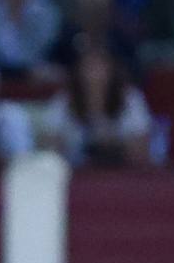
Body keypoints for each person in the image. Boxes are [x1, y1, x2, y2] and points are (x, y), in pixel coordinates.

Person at [41, 36, 155, 166]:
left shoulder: (131, 99)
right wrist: (68, 144)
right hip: (77, 176)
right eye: (89, 65)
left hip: (122, 176)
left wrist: (113, 144)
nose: (95, 73)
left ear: (113, 67)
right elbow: (47, 150)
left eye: (101, 65)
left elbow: (142, 152)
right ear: (78, 69)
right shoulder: (63, 101)